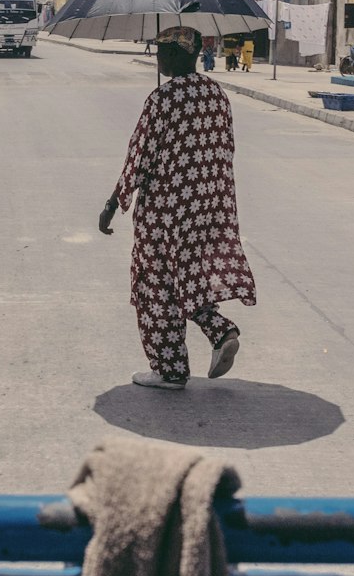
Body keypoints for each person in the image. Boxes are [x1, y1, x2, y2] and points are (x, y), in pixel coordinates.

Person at [98, 25, 256, 389]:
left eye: (161, 52)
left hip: (163, 211)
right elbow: (225, 150)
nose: (157, 58)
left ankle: (169, 369)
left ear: (175, 55)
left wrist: (113, 203)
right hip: (206, 208)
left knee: (156, 285)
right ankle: (220, 331)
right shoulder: (216, 94)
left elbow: (139, 158)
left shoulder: (162, 99)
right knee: (187, 277)